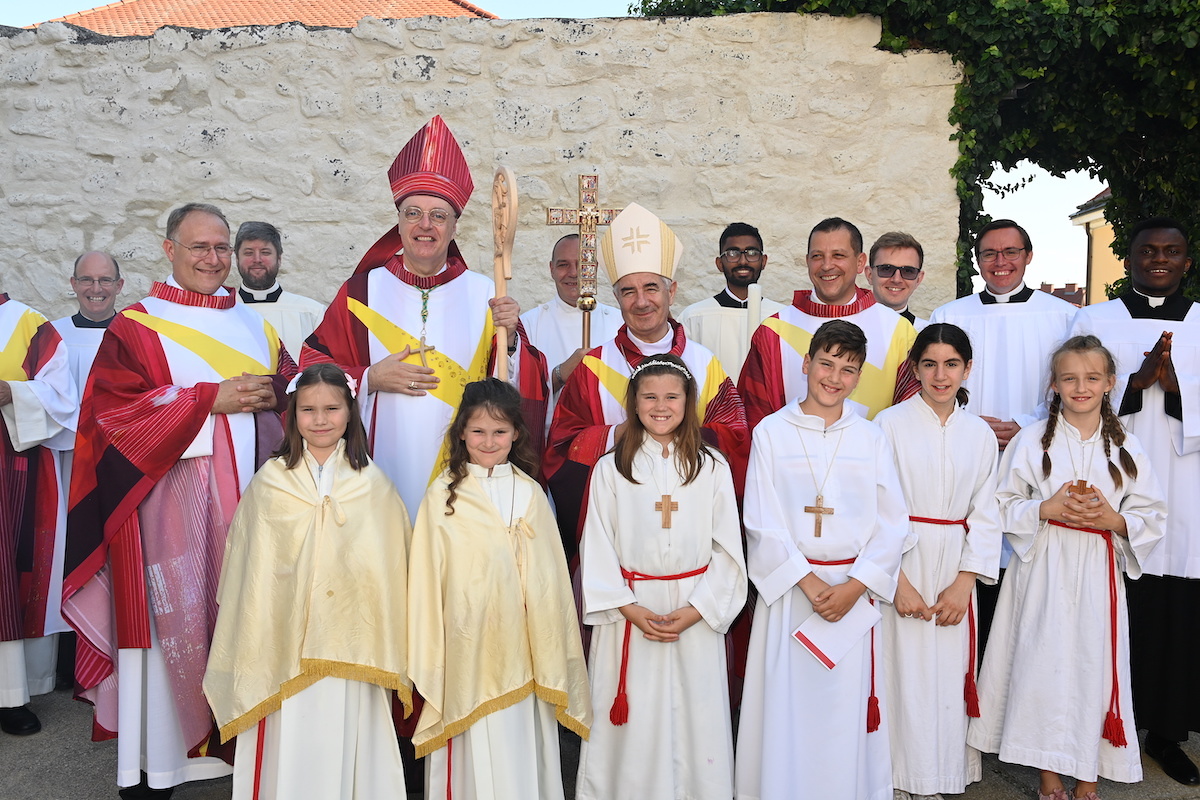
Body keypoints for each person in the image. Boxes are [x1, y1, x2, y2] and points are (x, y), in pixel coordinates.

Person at [61, 202, 296, 798]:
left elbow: (293, 391)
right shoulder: (137, 326)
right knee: (175, 620)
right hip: (168, 506)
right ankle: (163, 760)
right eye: (199, 247)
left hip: (252, 499)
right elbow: (111, 417)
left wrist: (289, 392)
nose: (213, 260)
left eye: (221, 248)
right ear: (170, 250)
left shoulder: (255, 325)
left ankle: (240, 745)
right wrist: (206, 400)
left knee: (245, 614)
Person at [301, 115, 547, 515]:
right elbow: (310, 369)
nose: (425, 225)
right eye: (413, 213)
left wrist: (512, 339)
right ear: (398, 224)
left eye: (439, 215)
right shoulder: (361, 292)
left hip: (463, 470)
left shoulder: (486, 293)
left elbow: (518, 389)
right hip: (378, 463)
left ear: (454, 227)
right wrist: (369, 378)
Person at [968, 334, 1165, 800]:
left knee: (1090, 668)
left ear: (1110, 383)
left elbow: (1152, 513)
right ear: (1054, 384)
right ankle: (1049, 775)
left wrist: (1113, 520)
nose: (1081, 387)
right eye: (1070, 378)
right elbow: (1001, 504)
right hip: (1043, 569)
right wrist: (1045, 509)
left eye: (1092, 378)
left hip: (1097, 570)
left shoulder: (1127, 446)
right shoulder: (1031, 440)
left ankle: (1088, 775)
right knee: (1044, 665)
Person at [204, 364, 410, 800]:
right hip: (280, 645)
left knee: (345, 738)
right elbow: (248, 574)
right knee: (289, 740)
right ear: (292, 414)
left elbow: (391, 573)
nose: (320, 420)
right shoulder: (269, 483)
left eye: (332, 409)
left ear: (350, 412)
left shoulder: (374, 485)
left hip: (353, 646)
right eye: (308, 409)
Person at [737, 319, 909, 800]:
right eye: (826, 364)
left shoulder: (870, 437)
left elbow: (892, 522)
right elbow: (761, 520)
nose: (834, 378)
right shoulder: (772, 432)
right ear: (806, 363)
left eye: (848, 370)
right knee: (788, 705)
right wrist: (810, 584)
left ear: (859, 377)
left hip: (852, 592)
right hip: (793, 592)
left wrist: (856, 586)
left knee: (843, 711)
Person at [407, 378, 591, 799]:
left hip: (523, 647)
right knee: (468, 747)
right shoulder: (441, 497)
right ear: (461, 433)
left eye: (499, 431)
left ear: (516, 434)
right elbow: (425, 581)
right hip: (464, 646)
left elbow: (551, 583)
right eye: (478, 431)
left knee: (518, 746)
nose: (488, 441)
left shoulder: (530, 494)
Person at [576, 354, 747, 800]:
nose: (660, 406)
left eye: (672, 396)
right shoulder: (612, 468)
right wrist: (629, 608)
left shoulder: (712, 467)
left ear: (688, 402)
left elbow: (728, 549)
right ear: (633, 403)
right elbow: (597, 545)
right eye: (649, 397)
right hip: (631, 610)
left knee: (696, 718)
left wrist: (697, 610)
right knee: (636, 721)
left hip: (694, 609)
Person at [1067, 218, 1200, 785]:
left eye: (1172, 251)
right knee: (1111, 602)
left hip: (1186, 485)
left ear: (1187, 261)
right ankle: (1102, 721)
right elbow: (1068, 394)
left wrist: (1178, 392)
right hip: (1112, 480)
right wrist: (1133, 384)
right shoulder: (1093, 321)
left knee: (1176, 607)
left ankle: (1166, 734)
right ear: (1130, 258)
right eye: (1149, 250)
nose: (1160, 259)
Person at [544, 202, 748, 560]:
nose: (641, 302)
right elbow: (561, 450)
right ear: (616, 298)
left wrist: (681, 435)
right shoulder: (593, 367)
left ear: (672, 291)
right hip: (620, 530)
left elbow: (737, 439)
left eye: (651, 288)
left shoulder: (705, 363)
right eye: (628, 291)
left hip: (691, 527)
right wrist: (619, 435)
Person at [928, 219, 1078, 654]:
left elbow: (1073, 385)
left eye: (1011, 252)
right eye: (990, 254)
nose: (1001, 262)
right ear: (977, 261)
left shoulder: (1063, 316)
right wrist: (970, 424)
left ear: (1028, 256)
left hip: (1035, 453)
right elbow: (934, 380)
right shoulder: (950, 315)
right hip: (963, 454)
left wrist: (1026, 425)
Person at [875, 324, 1003, 800]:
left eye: (952, 364)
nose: (940, 375)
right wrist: (896, 580)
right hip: (902, 560)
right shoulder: (888, 425)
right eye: (929, 364)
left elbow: (987, 512)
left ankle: (942, 773)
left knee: (948, 675)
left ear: (968, 369)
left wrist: (964, 582)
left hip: (954, 563)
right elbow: (875, 507)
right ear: (914, 368)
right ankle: (896, 778)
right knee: (902, 671)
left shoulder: (980, 434)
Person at [739, 217, 919, 430]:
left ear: (860, 262)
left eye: (838, 255)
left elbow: (910, 420)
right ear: (807, 261)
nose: (826, 266)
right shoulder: (773, 331)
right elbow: (755, 420)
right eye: (817, 256)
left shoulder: (899, 331)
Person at [0, 294, 74, 738]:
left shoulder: (27, 323)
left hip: (11, 469)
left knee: (7, 574)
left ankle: (9, 695)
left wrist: (13, 392)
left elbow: (61, 395)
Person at [519, 233, 622, 431]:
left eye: (581, 264)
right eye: (563, 265)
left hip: (609, 436)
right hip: (550, 438)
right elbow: (519, 393)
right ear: (551, 269)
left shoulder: (619, 322)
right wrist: (560, 374)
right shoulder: (528, 325)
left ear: (594, 268)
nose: (573, 273)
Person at [676, 221, 785, 381]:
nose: (743, 261)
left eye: (752, 253)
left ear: (763, 261)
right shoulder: (694, 317)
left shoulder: (782, 317)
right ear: (719, 263)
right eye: (733, 253)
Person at [234, 221, 326, 359]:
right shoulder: (221, 311)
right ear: (237, 258)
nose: (257, 259)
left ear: (279, 258)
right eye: (248, 253)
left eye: (265, 252)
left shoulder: (312, 314)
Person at [51, 251, 125, 391]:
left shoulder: (134, 336)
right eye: (86, 280)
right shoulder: (53, 335)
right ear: (74, 284)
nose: (96, 289)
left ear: (119, 285)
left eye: (105, 280)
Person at [866, 231, 928, 330]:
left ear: (918, 279)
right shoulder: (847, 327)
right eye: (887, 269)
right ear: (869, 275)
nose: (896, 279)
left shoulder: (925, 332)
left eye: (908, 271)